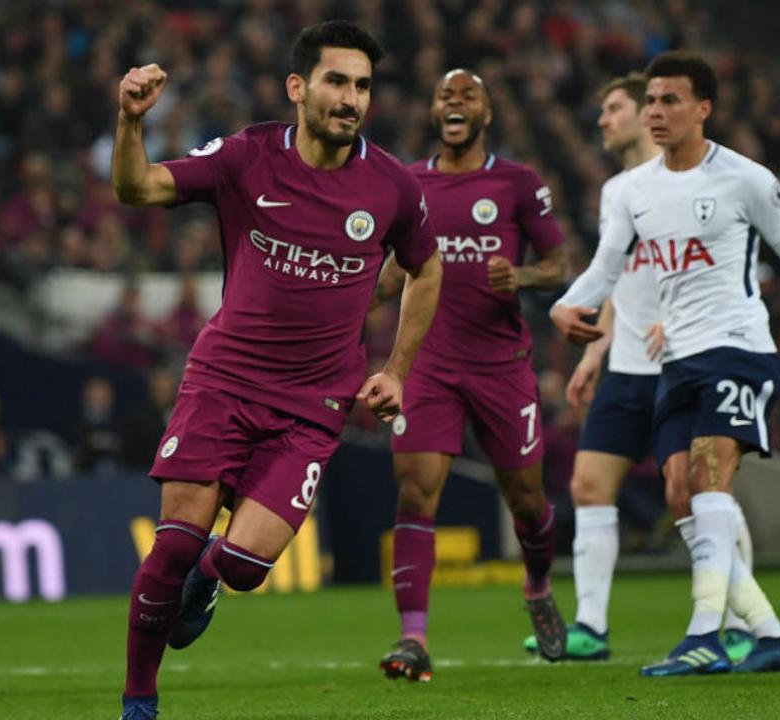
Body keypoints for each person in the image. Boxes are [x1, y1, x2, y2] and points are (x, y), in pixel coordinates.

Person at [111, 20, 442, 720]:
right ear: (298, 87)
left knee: (244, 565)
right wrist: (129, 123)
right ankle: (139, 702)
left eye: (362, 85)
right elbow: (138, 190)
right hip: (223, 383)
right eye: (336, 81)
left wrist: (399, 369)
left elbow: (427, 267)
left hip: (311, 409)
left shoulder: (392, 186)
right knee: (169, 548)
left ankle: (210, 580)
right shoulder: (247, 156)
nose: (351, 98)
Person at [550, 51, 780, 677]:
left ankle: (705, 634)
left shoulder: (745, 179)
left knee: (709, 477)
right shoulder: (631, 192)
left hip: (738, 348)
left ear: (704, 108)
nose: (656, 112)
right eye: (650, 101)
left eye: (669, 101)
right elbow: (606, 268)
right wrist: (570, 306)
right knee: (680, 492)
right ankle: (772, 634)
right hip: (676, 361)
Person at [525, 73, 757, 663]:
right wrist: (596, 350)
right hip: (627, 366)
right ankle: (590, 629)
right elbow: (614, 278)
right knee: (587, 485)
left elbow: (724, 266)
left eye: (614, 108)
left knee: (697, 493)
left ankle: (738, 621)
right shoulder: (621, 190)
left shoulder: (693, 183)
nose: (603, 120)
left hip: (685, 361)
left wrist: (679, 321)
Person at [369, 69, 568, 681]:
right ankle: (413, 639)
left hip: (501, 367)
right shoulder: (407, 183)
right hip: (426, 366)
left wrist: (525, 276)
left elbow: (558, 263)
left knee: (528, 500)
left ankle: (537, 585)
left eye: (468, 96)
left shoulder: (517, 182)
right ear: (432, 111)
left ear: (487, 113)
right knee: (415, 491)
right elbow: (386, 279)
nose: (454, 104)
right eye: (444, 96)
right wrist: (383, 282)